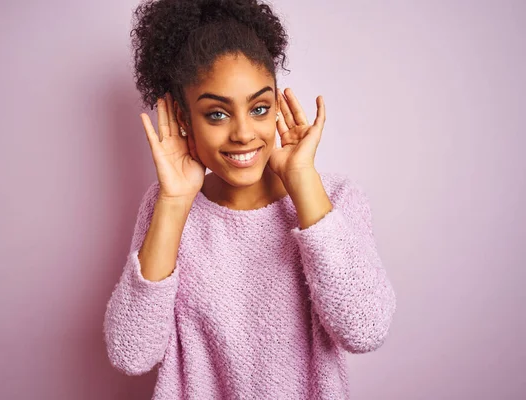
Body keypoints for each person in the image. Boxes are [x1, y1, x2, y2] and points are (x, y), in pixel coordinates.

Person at [103, 0, 397, 398]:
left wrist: (302, 181)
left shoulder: (336, 199)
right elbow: (131, 354)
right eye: (217, 115)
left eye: (259, 108)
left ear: (277, 105)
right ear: (185, 120)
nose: (243, 133)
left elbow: (365, 329)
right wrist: (173, 203)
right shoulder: (168, 206)